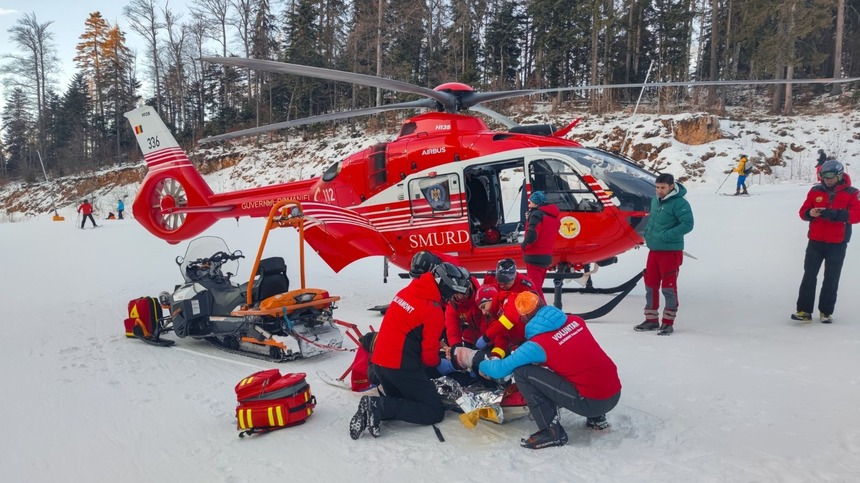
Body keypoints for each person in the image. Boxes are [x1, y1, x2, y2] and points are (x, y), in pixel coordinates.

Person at [479, 292, 621, 449]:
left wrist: (479, 361)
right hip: (614, 393)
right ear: (542, 304)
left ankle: (551, 432)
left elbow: (500, 370)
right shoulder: (576, 321)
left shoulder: (537, 345)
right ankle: (597, 418)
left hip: (592, 402)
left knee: (522, 372)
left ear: (524, 319)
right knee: (576, 364)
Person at [349, 262, 471, 440]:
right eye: (453, 292)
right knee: (434, 411)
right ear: (445, 287)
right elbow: (429, 358)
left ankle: (380, 406)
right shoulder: (433, 310)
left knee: (406, 400)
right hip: (399, 366)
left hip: (379, 363)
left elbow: (409, 329)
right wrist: (443, 364)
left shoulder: (408, 292)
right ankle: (377, 407)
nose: (452, 297)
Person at [791, 160, 860, 323]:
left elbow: (856, 216)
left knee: (831, 277)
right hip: (815, 241)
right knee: (809, 275)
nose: (827, 180)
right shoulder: (815, 190)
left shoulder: (852, 192)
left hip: (837, 243)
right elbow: (802, 212)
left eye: (830, 176)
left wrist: (835, 214)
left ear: (839, 174)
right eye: (823, 176)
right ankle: (804, 311)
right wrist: (810, 213)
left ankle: (826, 312)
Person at [635, 173, 694, 336]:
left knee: (668, 287)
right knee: (650, 285)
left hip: (670, 252)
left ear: (671, 187)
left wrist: (666, 236)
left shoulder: (680, 203)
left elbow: (688, 224)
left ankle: (668, 323)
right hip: (654, 250)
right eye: (657, 187)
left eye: (663, 188)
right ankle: (651, 320)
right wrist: (647, 234)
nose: (659, 191)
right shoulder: (655, 200)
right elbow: (653, 219)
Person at [521, 191, 560, 292]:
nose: (530, 204)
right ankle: (540, 306)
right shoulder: (553, 216)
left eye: (531, 201)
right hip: (546, 257)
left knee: (534, 289)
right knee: (537, 287)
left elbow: (532, 235)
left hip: (534, 256)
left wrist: (524, 246)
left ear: (536, 203)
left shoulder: (536, 215)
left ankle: (539, 307)